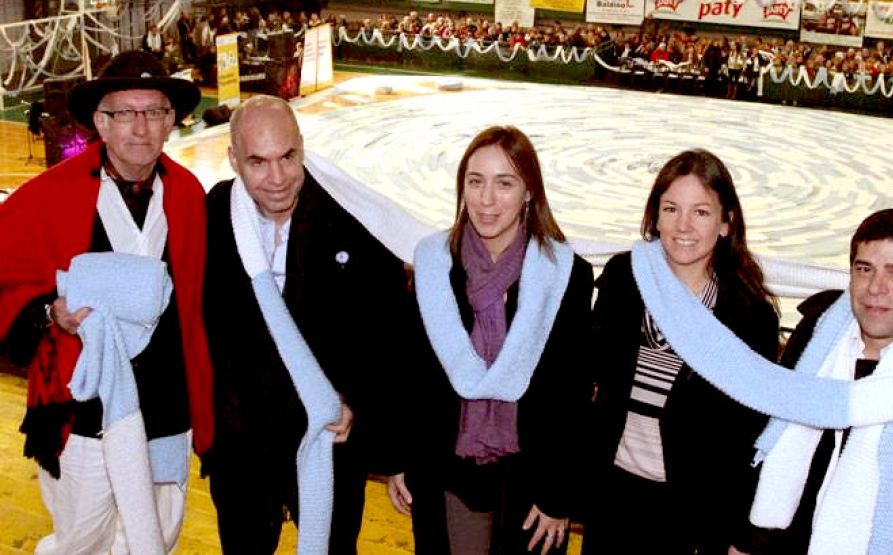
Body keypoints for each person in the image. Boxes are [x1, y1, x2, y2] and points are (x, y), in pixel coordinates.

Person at [0, 49, 211, 553]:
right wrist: (50, 312)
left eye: (155, 112)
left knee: (157, 533)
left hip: (166, 409)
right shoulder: (46, 196)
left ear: (170, 123)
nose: (141, 128)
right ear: (101, 121)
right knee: (82, 541)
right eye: (125, 113)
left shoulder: (189, 196)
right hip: (80, 416)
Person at [203, 95, 416, 554]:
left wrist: (358, 403)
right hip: (243, 447)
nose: (277, 178)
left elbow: (392, 337)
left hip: (327, 442)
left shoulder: (354, 222)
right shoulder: (214, 215)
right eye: (257, 162)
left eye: (287, 157)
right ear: (233, 159)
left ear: (303, 147)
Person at [386, 126, 594, 555]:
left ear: (529, 192)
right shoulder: (432, 266)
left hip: (530, 481)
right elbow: (408, 375)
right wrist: (399, 460)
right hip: (444, 470)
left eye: (505, 183)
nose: (486, 199)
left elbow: (571, 395)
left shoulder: (565, 275)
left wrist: (559, 495)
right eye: (475, 181)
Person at [749, 208, 893, 554]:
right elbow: (776, 448)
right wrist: (749, 541)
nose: (875, 288)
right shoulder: (817, 340)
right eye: (864, 270)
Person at [582, 149, 780, 554]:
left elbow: (750, 437)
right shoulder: (624, 278)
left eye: (701, 212)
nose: (683, 225)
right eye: (671, 209)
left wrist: (740, 536)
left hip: (691, 514)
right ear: (655, 217)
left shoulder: (747, 315)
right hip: (611, 497)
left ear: (727, 223)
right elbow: (587, 385)